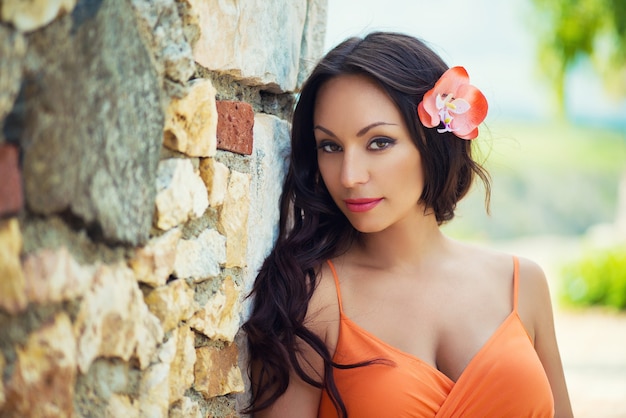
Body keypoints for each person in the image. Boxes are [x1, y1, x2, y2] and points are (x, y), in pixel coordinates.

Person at [242, 31, 573, 418]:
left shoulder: (522, 285)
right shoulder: (310, 301)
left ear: (432, 141)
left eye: (378, 142)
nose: (349, 176)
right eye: (330, 146)